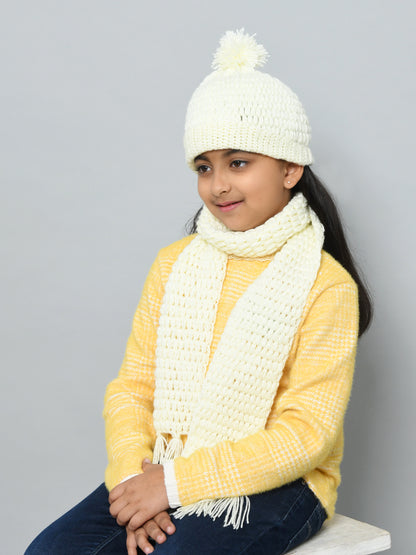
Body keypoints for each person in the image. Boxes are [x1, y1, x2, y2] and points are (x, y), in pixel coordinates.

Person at [25, 29, 372, 555]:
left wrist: (172, 486)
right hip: (160, 466)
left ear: (289, 169)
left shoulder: (326, 286)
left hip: (283, 485)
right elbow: (133, 390)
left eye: (238, 162)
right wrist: (134, 483)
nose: (218, 185)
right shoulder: (174, 265)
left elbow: (306, 435)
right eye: (204, 167)